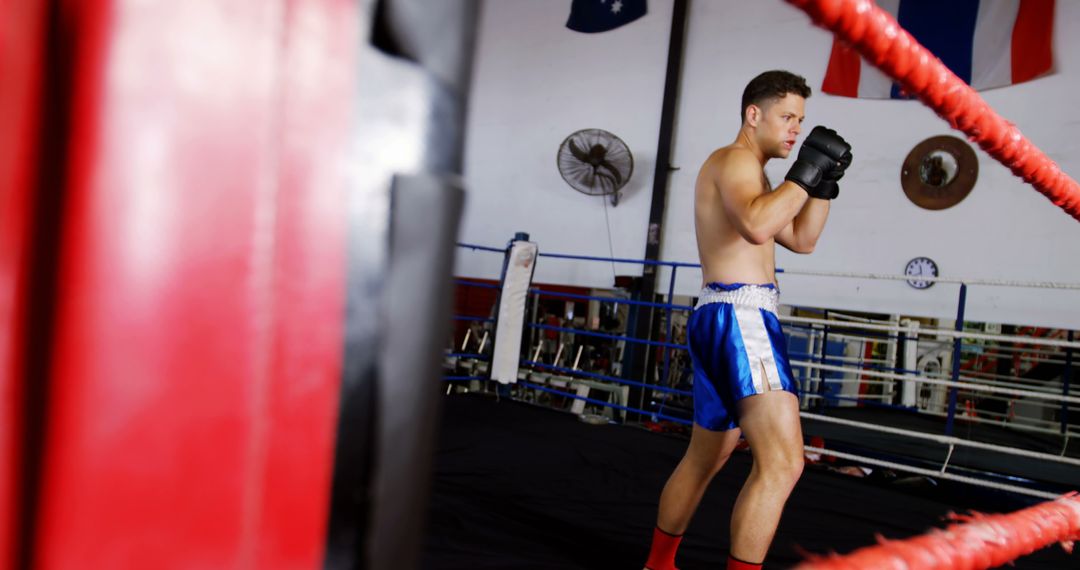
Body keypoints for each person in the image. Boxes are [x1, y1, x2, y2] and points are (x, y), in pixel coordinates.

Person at [643, 70, 853, 570]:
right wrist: (804, 171)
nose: (794, 130)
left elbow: (801, 239)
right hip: (742, 317)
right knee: (783, 463)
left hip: (720, 313)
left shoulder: (752, 173)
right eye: (786, 117)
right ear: (752, 114)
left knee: (704, 458)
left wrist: (821, 182)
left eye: (800, 121)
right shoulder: (734, 160)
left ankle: (658, 565)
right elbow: (759, 225)